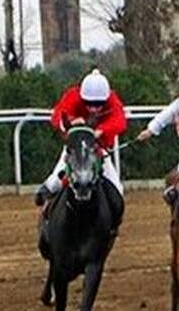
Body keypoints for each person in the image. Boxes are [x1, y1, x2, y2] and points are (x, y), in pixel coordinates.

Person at [36, 69, 128, 207]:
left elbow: (120, 121)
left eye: (98, 104)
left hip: (98, 149)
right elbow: (57, 116)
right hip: (74, 148)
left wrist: (101, 130)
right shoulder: (72, 96)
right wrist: (71, 121)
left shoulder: (113, 100)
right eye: (89, 104)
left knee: (118, 190)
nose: (93, 109)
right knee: (54, 183)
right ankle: (48, 195)